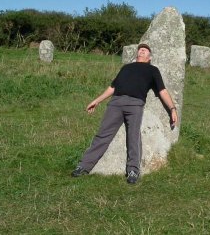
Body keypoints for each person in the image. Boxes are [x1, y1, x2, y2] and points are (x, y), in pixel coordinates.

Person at [71, 43, 178, 184]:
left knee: (133, 136)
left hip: (135, 104)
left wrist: (172, 109)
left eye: (145, 50)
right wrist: (97, 101)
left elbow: (162, 91)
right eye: (140, 50)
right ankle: (83, 166)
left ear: (149, 57)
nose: (141, 51)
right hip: (116, 103)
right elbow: (112, 87)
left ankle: (133, 171)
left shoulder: (153, 70)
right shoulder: (126, 68)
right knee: (103, 134)